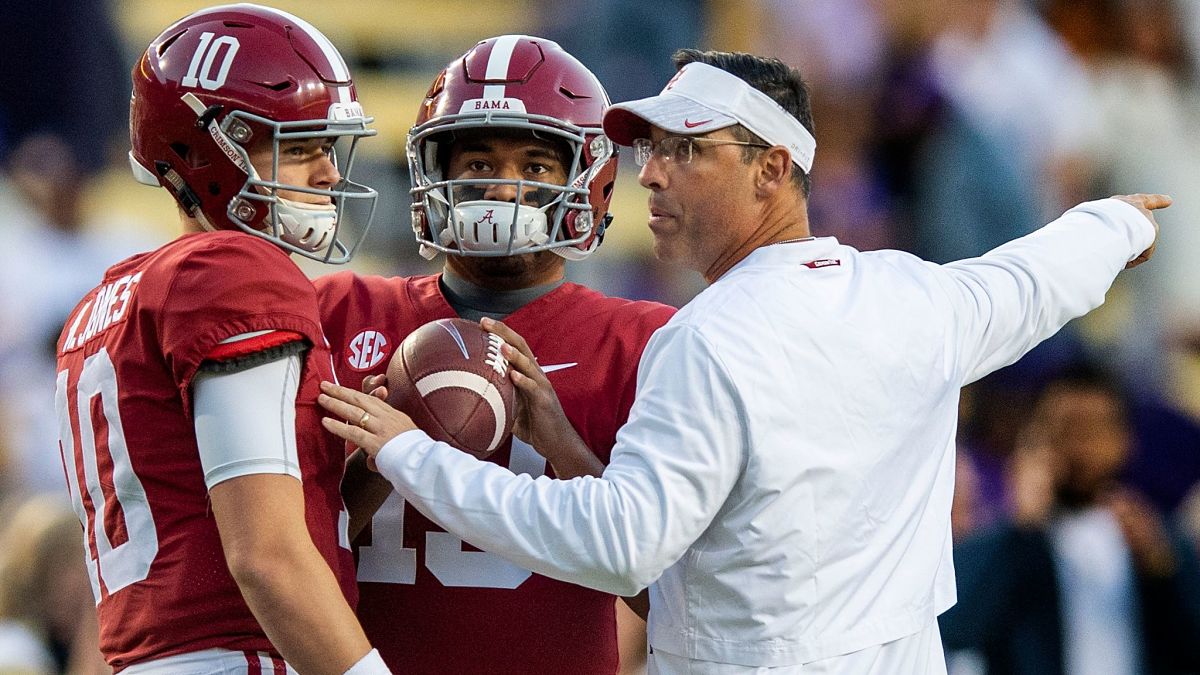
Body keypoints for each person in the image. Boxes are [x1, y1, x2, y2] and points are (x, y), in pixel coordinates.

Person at [317, 48, 1167, 674]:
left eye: (687, 150)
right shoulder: (917, 294)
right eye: (649, 150)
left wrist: (405, 449)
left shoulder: (704, 338)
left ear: (771, 169)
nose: (653, 175)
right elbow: (1037, 276)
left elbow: (621, 547)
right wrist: (1119, 225)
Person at [314, 35, 675, 674]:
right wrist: (377, 462)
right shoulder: (339, 310)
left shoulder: (645, 342)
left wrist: (563, 448)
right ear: (434, 173)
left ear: (588, 181)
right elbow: (275, 554)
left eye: (535, 167)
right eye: (477, 162)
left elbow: (672, 599)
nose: (502, 190)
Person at [53, 5, 389, 673]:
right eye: (299, 147)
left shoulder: (100, 305)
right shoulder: (233, 272)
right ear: (208, 149)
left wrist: (362, 472)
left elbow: (202, 527)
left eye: (327, 147)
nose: (327, 173)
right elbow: (263, 557)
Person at [940, 363, 1200, 674]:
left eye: (1094, 430)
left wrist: (1163, 574)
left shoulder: (1157, 541)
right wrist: (1020, 529)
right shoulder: (1009, 539)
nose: (1080, 448)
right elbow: (955, 631)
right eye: (1065, 430)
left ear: (1125, 441)